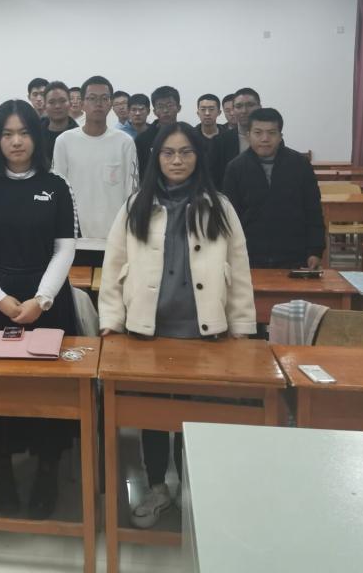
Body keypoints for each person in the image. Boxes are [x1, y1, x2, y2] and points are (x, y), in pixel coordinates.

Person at [98, 121, 255, 528]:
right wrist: (111, 322)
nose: (177, 160)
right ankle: (157, 487)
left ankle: (192, 486)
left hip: (203, 332)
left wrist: (241, 326)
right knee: (153, 415)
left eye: (186, 152)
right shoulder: (136, 204)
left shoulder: (218, 205)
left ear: (198, 157)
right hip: (148, 331)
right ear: (157, 158)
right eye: (168, 153)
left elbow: (238, 268)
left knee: (196, 413)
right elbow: (113, 264)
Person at [0, 99, 78, 519]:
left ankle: (47, 469)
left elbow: (65, 248)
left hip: (46, 300)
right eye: (7, 134)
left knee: (48, 389)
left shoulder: (56, 185)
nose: (16, 142)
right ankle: (2, 470)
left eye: (24, 133)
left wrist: (42, 299)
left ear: (36, 138)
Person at [223, 108, 325, 270]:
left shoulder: (300, 164)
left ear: (280, 136)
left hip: (295, 255)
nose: (265, 139)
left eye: (271, 133)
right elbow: (230, 216)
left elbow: (313, 210)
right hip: (249, 255)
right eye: (258, 133)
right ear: (248, 135)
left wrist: (315, 250)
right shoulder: (235, 168)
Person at [53, 75, 138, 266]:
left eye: (104, 98)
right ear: (82, 103)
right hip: (74, 241)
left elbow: (131, 194)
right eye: (92, 98)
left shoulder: (124, 142)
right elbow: (57, 192)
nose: (98, 104)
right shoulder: (65, 141)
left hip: (114, 241)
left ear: (110, 104)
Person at [213, 87, 261, 182]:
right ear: (234, 110)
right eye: (239, 106)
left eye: (250, 105)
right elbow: (214, 177)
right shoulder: (220, 141)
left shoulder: (271, 139)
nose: (244, 111)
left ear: (259, 107)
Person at [135, 86, 181, 178]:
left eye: (170, 105)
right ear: (154, 111)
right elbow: (141, 172)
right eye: (160, 106)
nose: (165, 110)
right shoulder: (142, 140)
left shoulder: (189, 135)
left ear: (178, 108)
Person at [40, 80, 78, 162]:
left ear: (70, 104)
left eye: (62, 101)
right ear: (44, 106)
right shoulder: (36, 134)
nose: (57, 106)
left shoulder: (78, 136)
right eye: (51, 102)